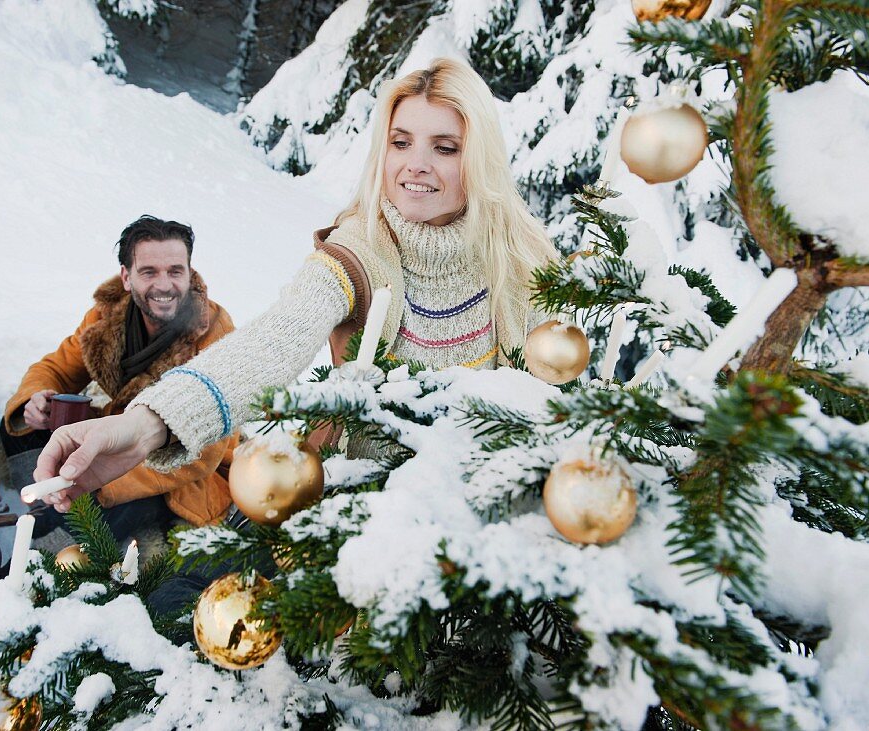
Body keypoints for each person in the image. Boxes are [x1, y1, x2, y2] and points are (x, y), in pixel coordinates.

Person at [33, 58, 558, 512]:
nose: (415, 165)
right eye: (401, 142)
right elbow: (276, 338)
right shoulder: (361, 251)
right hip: (373, 511)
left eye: (445, 147)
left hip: (491, 510)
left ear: (479, 157)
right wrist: (148, 423)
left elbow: (557, 393)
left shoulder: (522, 260)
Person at [0, 215, 238, 544]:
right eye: (149, 272)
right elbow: (57, 366)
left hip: (170, 467)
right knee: (19, 424)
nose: (165, 285)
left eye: (175, 271)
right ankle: (46, 500)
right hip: (111, 436)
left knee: (107, 514)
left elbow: (205, 452)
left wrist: (106, 477)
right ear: (126, 277)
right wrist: (36, 398)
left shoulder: (214, 333)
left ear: (189, 271)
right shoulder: (108, 315)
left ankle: (52, 541)